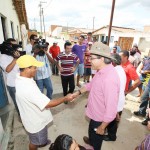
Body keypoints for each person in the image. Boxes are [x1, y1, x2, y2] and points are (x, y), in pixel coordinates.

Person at [15, 55, 73, 150]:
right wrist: (65, 98)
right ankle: (39, 143)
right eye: (34, 67)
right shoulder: (27, 88)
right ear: (26, 69)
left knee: (39, 138)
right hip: (35, 122)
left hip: (32, 116)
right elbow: (47, 104)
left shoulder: (20, 77)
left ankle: (42, 141)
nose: (36, 69)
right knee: (34, 142)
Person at [72, 42, 120, 150]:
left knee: (96, 143)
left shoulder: (109, 79)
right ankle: (91, 141)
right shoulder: (101, 71)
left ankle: (94, 144)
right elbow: (91, 84)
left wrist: (102, 127)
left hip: (100, 119)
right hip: (94, 114)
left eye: (92, 58)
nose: (89, 60)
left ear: (102, 59)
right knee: (91, 133)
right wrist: (78, 93)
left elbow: (111, 109)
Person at [103, 53, 126, 141]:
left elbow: (114, 91)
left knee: (112, 121)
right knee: (113, 122)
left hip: (115, 102)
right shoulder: (121, 70)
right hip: (119, 101)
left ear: (112, 62)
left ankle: (111, 137)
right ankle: (110, 134)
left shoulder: (114, 72)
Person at [0, 38, 21, 116]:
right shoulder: (3, 57)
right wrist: (15, 59)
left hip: (20, 82)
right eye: (14, 45)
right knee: (18, 105)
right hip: (13, 85)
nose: (15, 48)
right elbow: (8, 69)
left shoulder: (14, 53)